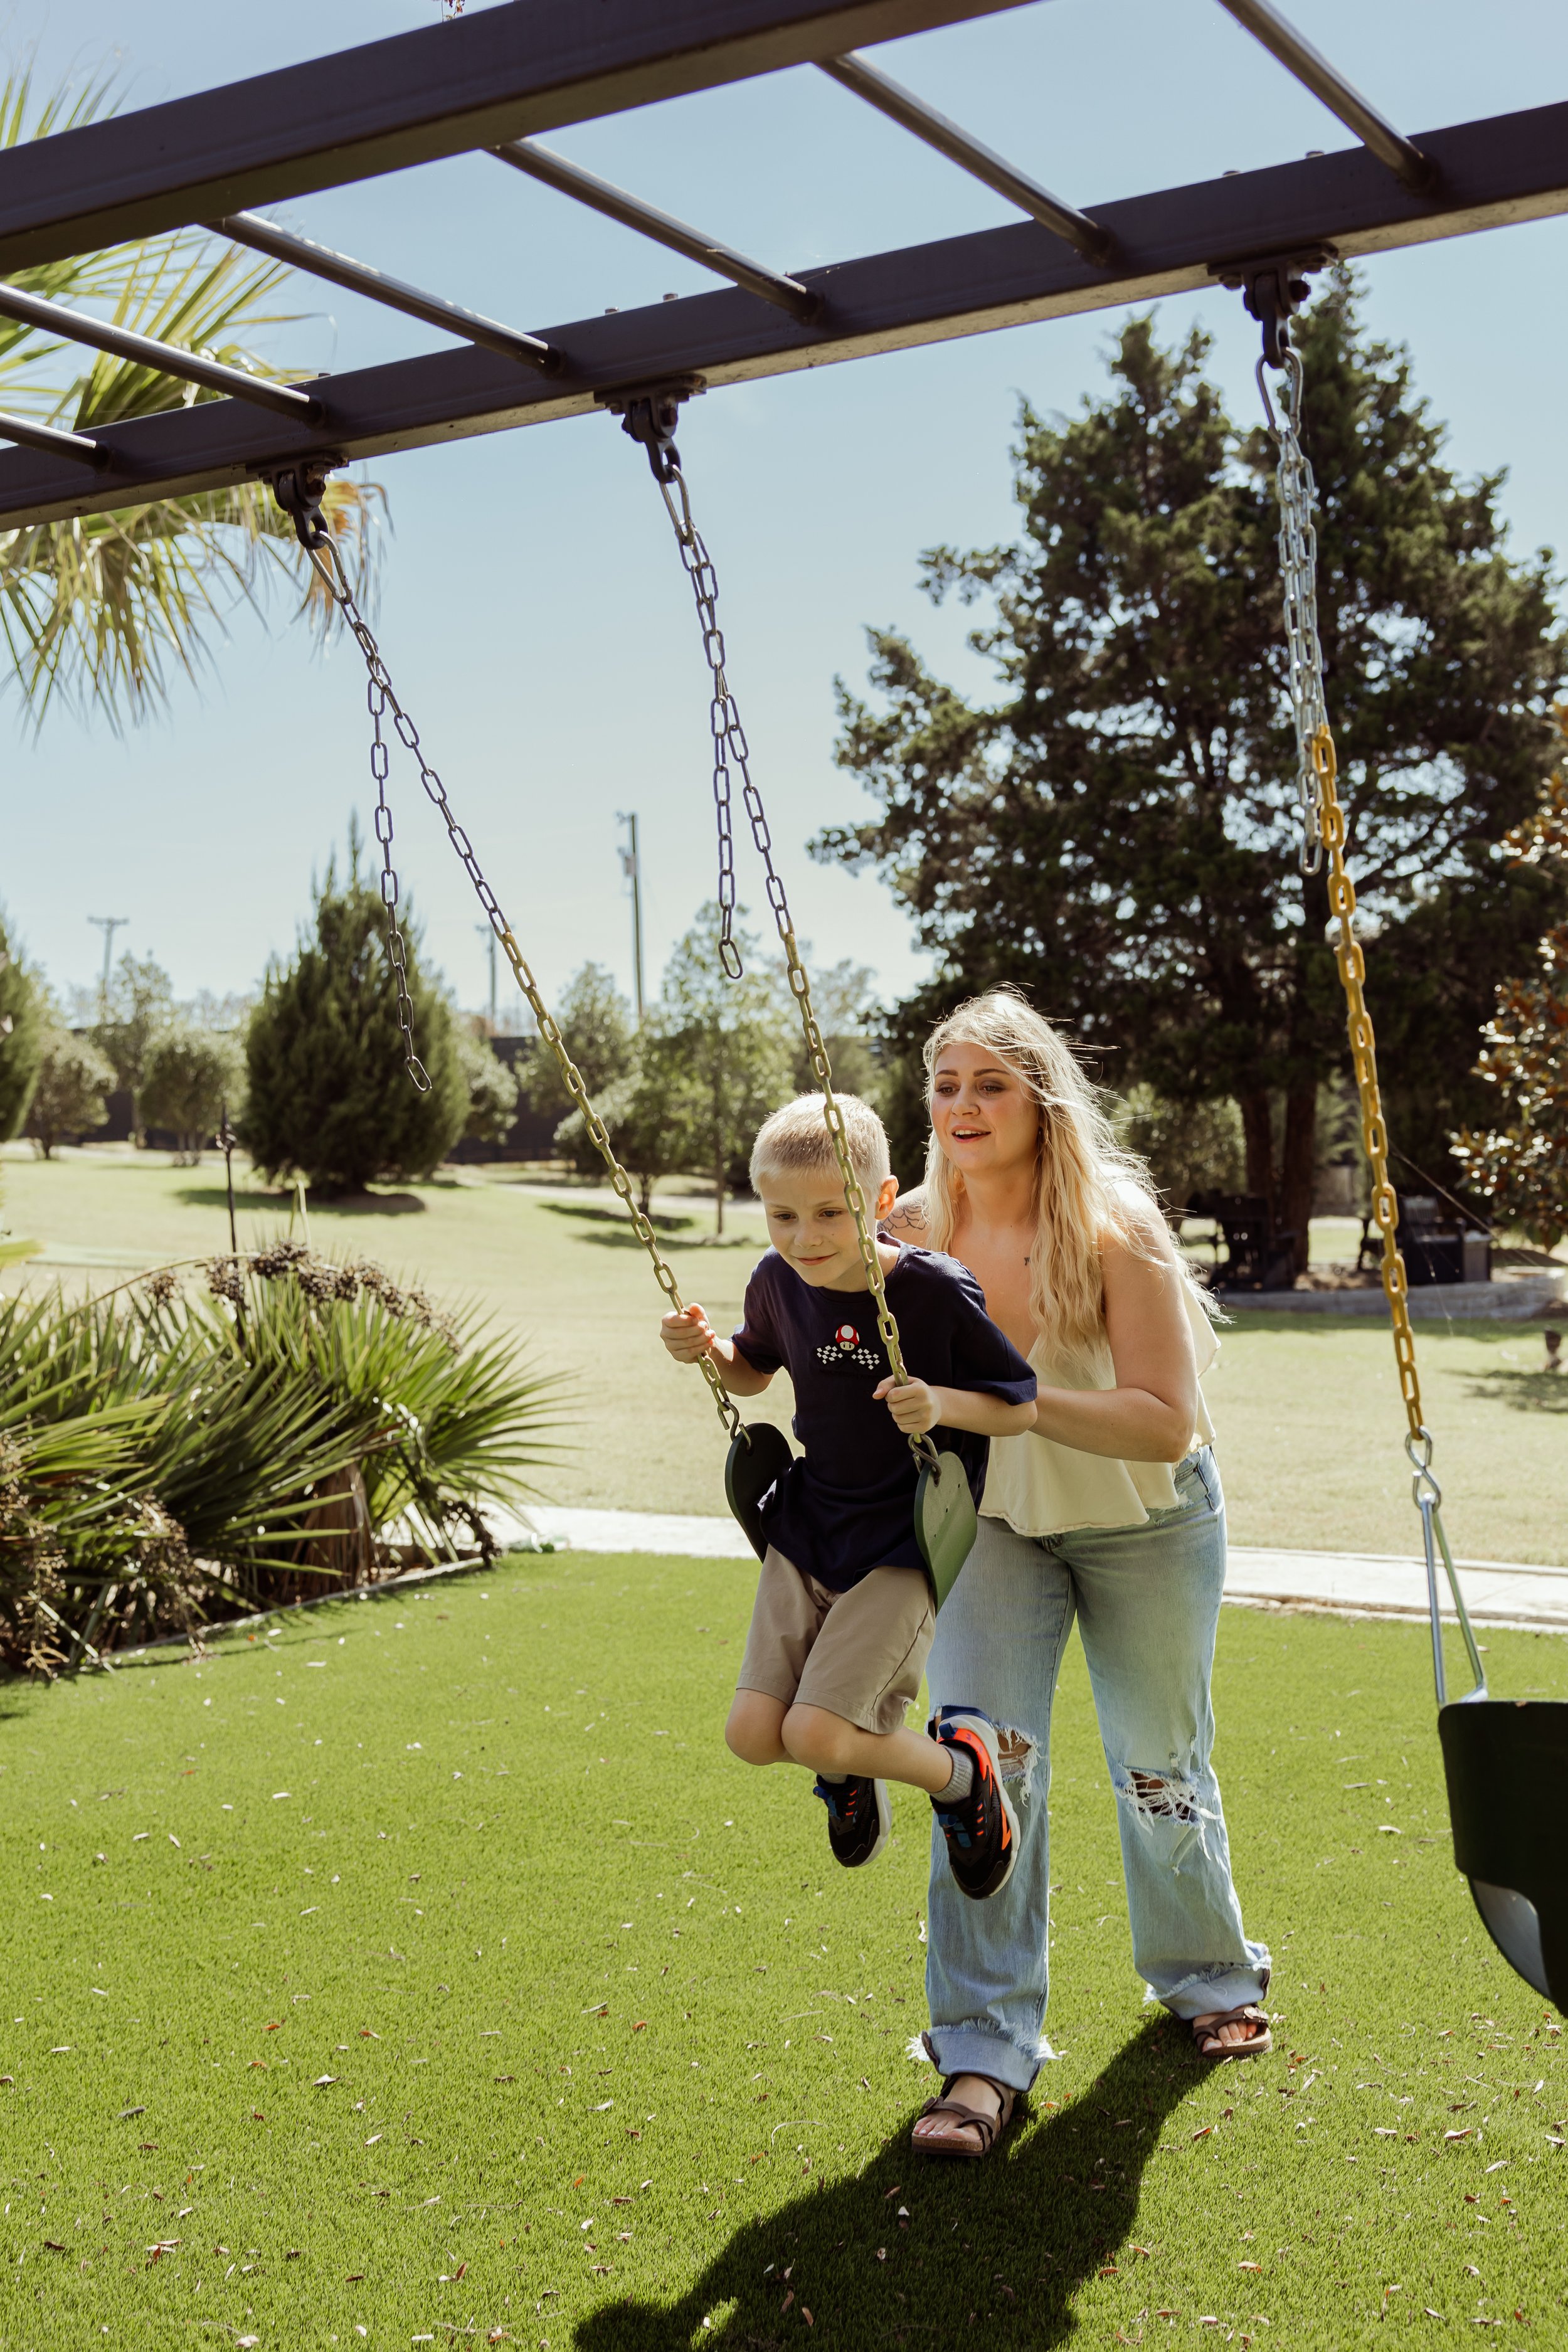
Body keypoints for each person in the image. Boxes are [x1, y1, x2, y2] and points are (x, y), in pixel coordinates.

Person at [886, 990, 1272, 2161]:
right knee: (983, 1769)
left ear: (1041, 1102)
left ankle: (1207, 1974)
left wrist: (1001, 1403)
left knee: (1159, 1762)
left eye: (989, 1085)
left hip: (1142, 1520)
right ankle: (980, 2052)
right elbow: (809, 1309)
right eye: (946, 1085)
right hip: (997, 1522)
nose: (962, 1106)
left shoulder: (1118, 1230)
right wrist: (730, 1352)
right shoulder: (909, 1223)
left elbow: (1164, 1423)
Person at [660, 1090, 1037, 1896]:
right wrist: (706, 1349)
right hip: (809, 1522)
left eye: (831, 1213)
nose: (805, 1238)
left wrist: (938, 1405)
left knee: (820, 1730)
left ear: (882, 1201)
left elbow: (1019, 1404)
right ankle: (852, 1772)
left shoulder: (936, 1292)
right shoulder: (776, 1278)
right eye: (782, 1215)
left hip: (902, 1539)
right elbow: (752, 1368)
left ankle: (961, 1774)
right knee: (756, 1734)